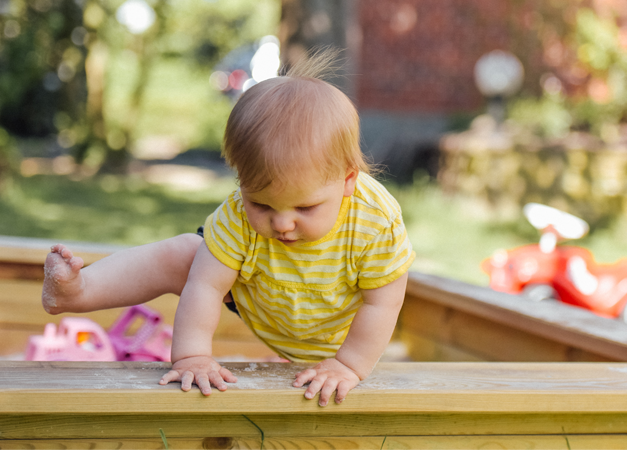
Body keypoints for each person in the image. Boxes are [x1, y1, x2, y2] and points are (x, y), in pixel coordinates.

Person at [40, 50, 415, 407]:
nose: (282, 223)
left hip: (339, 327)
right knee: (186, 254)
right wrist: (192, 356)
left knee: (366, 316)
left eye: (305, 207)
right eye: (262, 204)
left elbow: (383, 301)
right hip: (263, 295)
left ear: (348, 181)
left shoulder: (374, 221)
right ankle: (78, 291)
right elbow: (205, 286)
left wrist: (348, 364)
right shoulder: (236, 215)